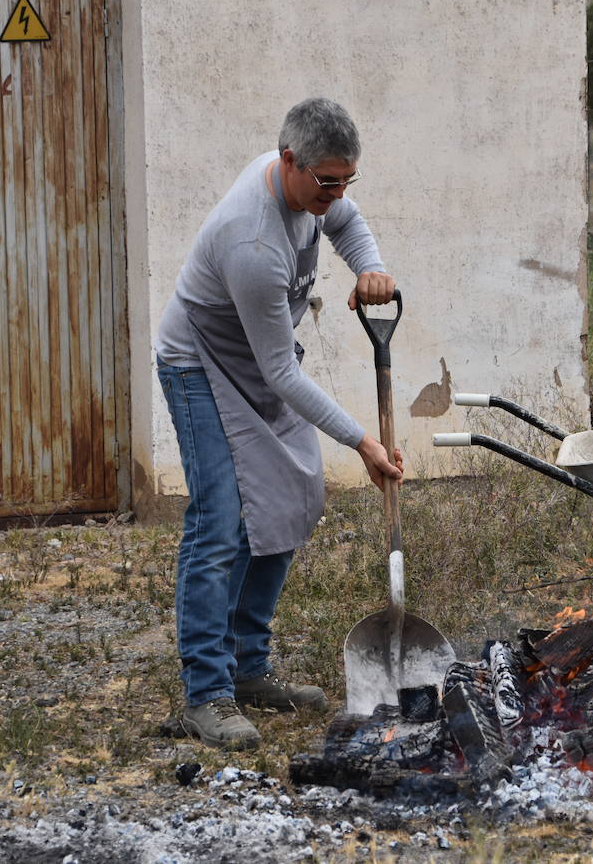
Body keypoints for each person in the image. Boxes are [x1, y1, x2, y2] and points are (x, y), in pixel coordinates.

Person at [154, 98, 403, 749]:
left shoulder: (314, 191)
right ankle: (208, 692)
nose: (338, 193)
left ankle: (249, 666)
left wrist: (369, 266)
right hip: (202, 366)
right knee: (223, 519)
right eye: (327, 181)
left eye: (347, 179)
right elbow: (281, 378)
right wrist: (362, 440)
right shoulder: (253, 241)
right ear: (288, 161)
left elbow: (347, 222)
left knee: (294, 497)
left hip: (260, 358)